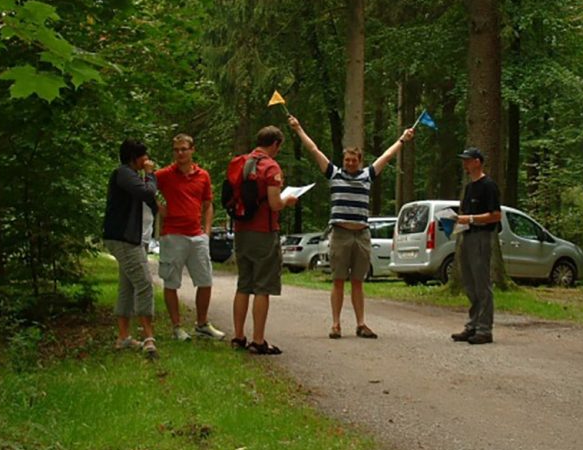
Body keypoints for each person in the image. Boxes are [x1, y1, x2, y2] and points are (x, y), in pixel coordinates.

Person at [288, 115, 414, 339]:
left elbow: (387, 156)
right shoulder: (334, 174)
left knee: (358, 281)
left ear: (360, 161)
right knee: (338, 280)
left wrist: (403, 139)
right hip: (340, 234)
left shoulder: (367, 176)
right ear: (343, 160)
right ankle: (336, 325)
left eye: (353, 160)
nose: (350, 163)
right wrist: (298, 129)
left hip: (362, 235)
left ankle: (361, 324)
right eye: (347, 160)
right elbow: (314, 150)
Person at [231, 125, 297, 355]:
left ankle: (238, 336)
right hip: (263, 231)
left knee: (243, 284)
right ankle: (258, 340)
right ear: (275, 144)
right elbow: (274, 204)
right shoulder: (270, 166)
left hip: (241, 229)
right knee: (262, 287)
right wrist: (288, 200)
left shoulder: (240, 162)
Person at [154, 134, 225, 342]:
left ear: (192, 150)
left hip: (197, 236)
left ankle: (202, 324)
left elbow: (208, 204)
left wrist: (207, 232)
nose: (180, 153)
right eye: (176, 150)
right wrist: (160, 207)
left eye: (184, 149)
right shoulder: (164, 175)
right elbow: (145, 189)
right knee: (171, 282)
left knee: (205, 280)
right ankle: (177, 327)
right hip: (172, 235)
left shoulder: (203, 176)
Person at [103, 139, 159, 359]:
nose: (147, 159)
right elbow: (147, 193)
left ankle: (124, 337)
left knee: (127, 285)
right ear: (134, 158)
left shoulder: (129, 175)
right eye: (144, 156)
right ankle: (148, 337)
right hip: (123, 238)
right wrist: (150, 175)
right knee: (144, 284)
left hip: (126, 237)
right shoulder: (124, 173)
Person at [451, 146, 501, 345]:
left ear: (477, 162)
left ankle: (485, 329)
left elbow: (495, 215)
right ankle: (473, 324)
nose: (465, 164)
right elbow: (464, 214)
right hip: (467, 236)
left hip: (482, 237)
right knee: (469, 282)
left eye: (468, 160)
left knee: (482, 283)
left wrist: (470, 219)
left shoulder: (489, 185)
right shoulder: (469, 187)